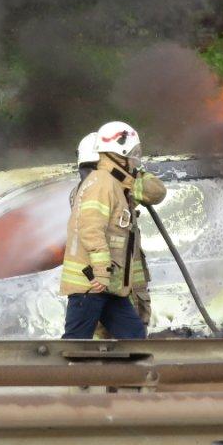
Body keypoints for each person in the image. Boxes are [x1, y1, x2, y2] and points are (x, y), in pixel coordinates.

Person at [60, 121, 166, 339]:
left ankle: (132, 373)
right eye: (133, 154)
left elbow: (156, 192)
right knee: (75, 344)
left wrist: (130, 178)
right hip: (92, 285)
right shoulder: (101, 184)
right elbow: (90, 229)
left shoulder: (115, 185)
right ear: (120, 154)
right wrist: (100, 272)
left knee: (134, 338)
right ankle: (59, 374)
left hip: (110, 286)